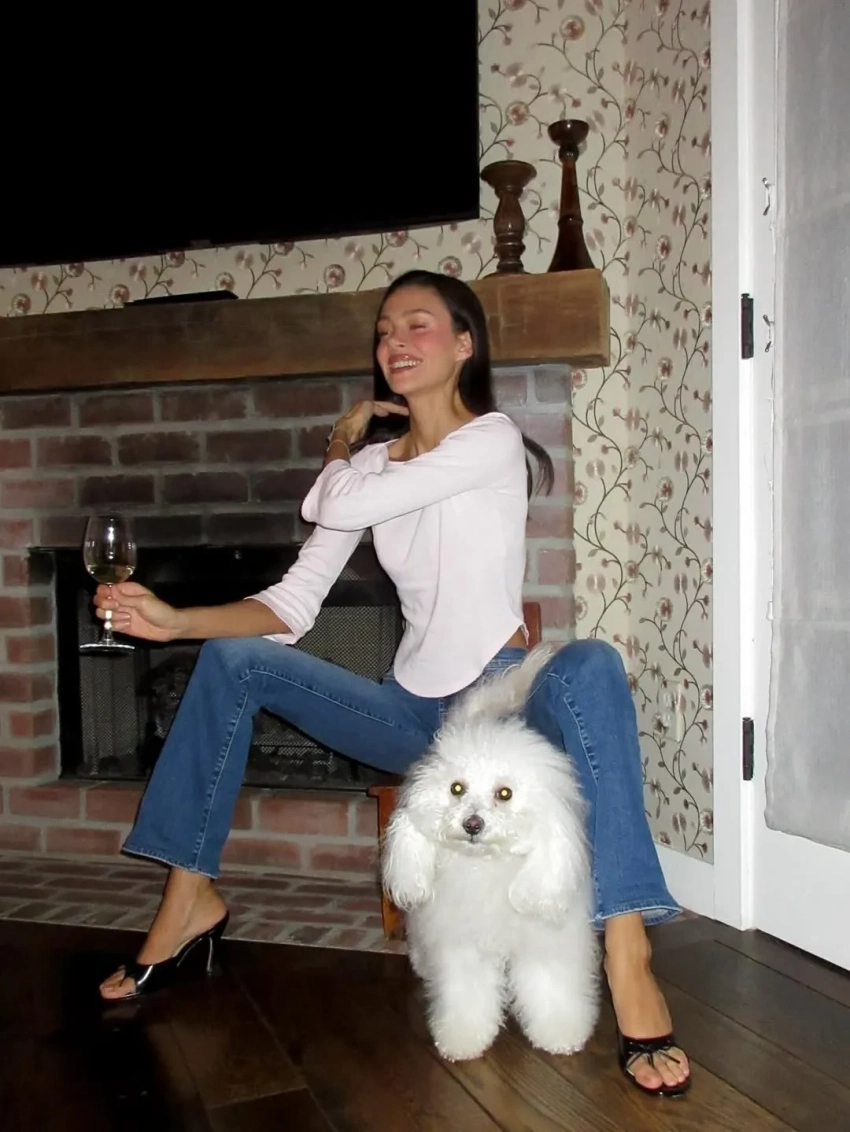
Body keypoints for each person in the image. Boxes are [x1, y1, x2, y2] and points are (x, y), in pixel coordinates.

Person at [95, 269, 690, 1096]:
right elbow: (292, 602)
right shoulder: (374, 471)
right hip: (413, 717)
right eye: (383, 331)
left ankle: (628, 950)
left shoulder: (490, 440)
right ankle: (188, 901)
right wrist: (176, 620)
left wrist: (338, 450)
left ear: (464, 344)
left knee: (591, 664)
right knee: (231, 659)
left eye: (417, 324)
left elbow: (333, 502)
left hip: (503, 707)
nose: (394, 342)